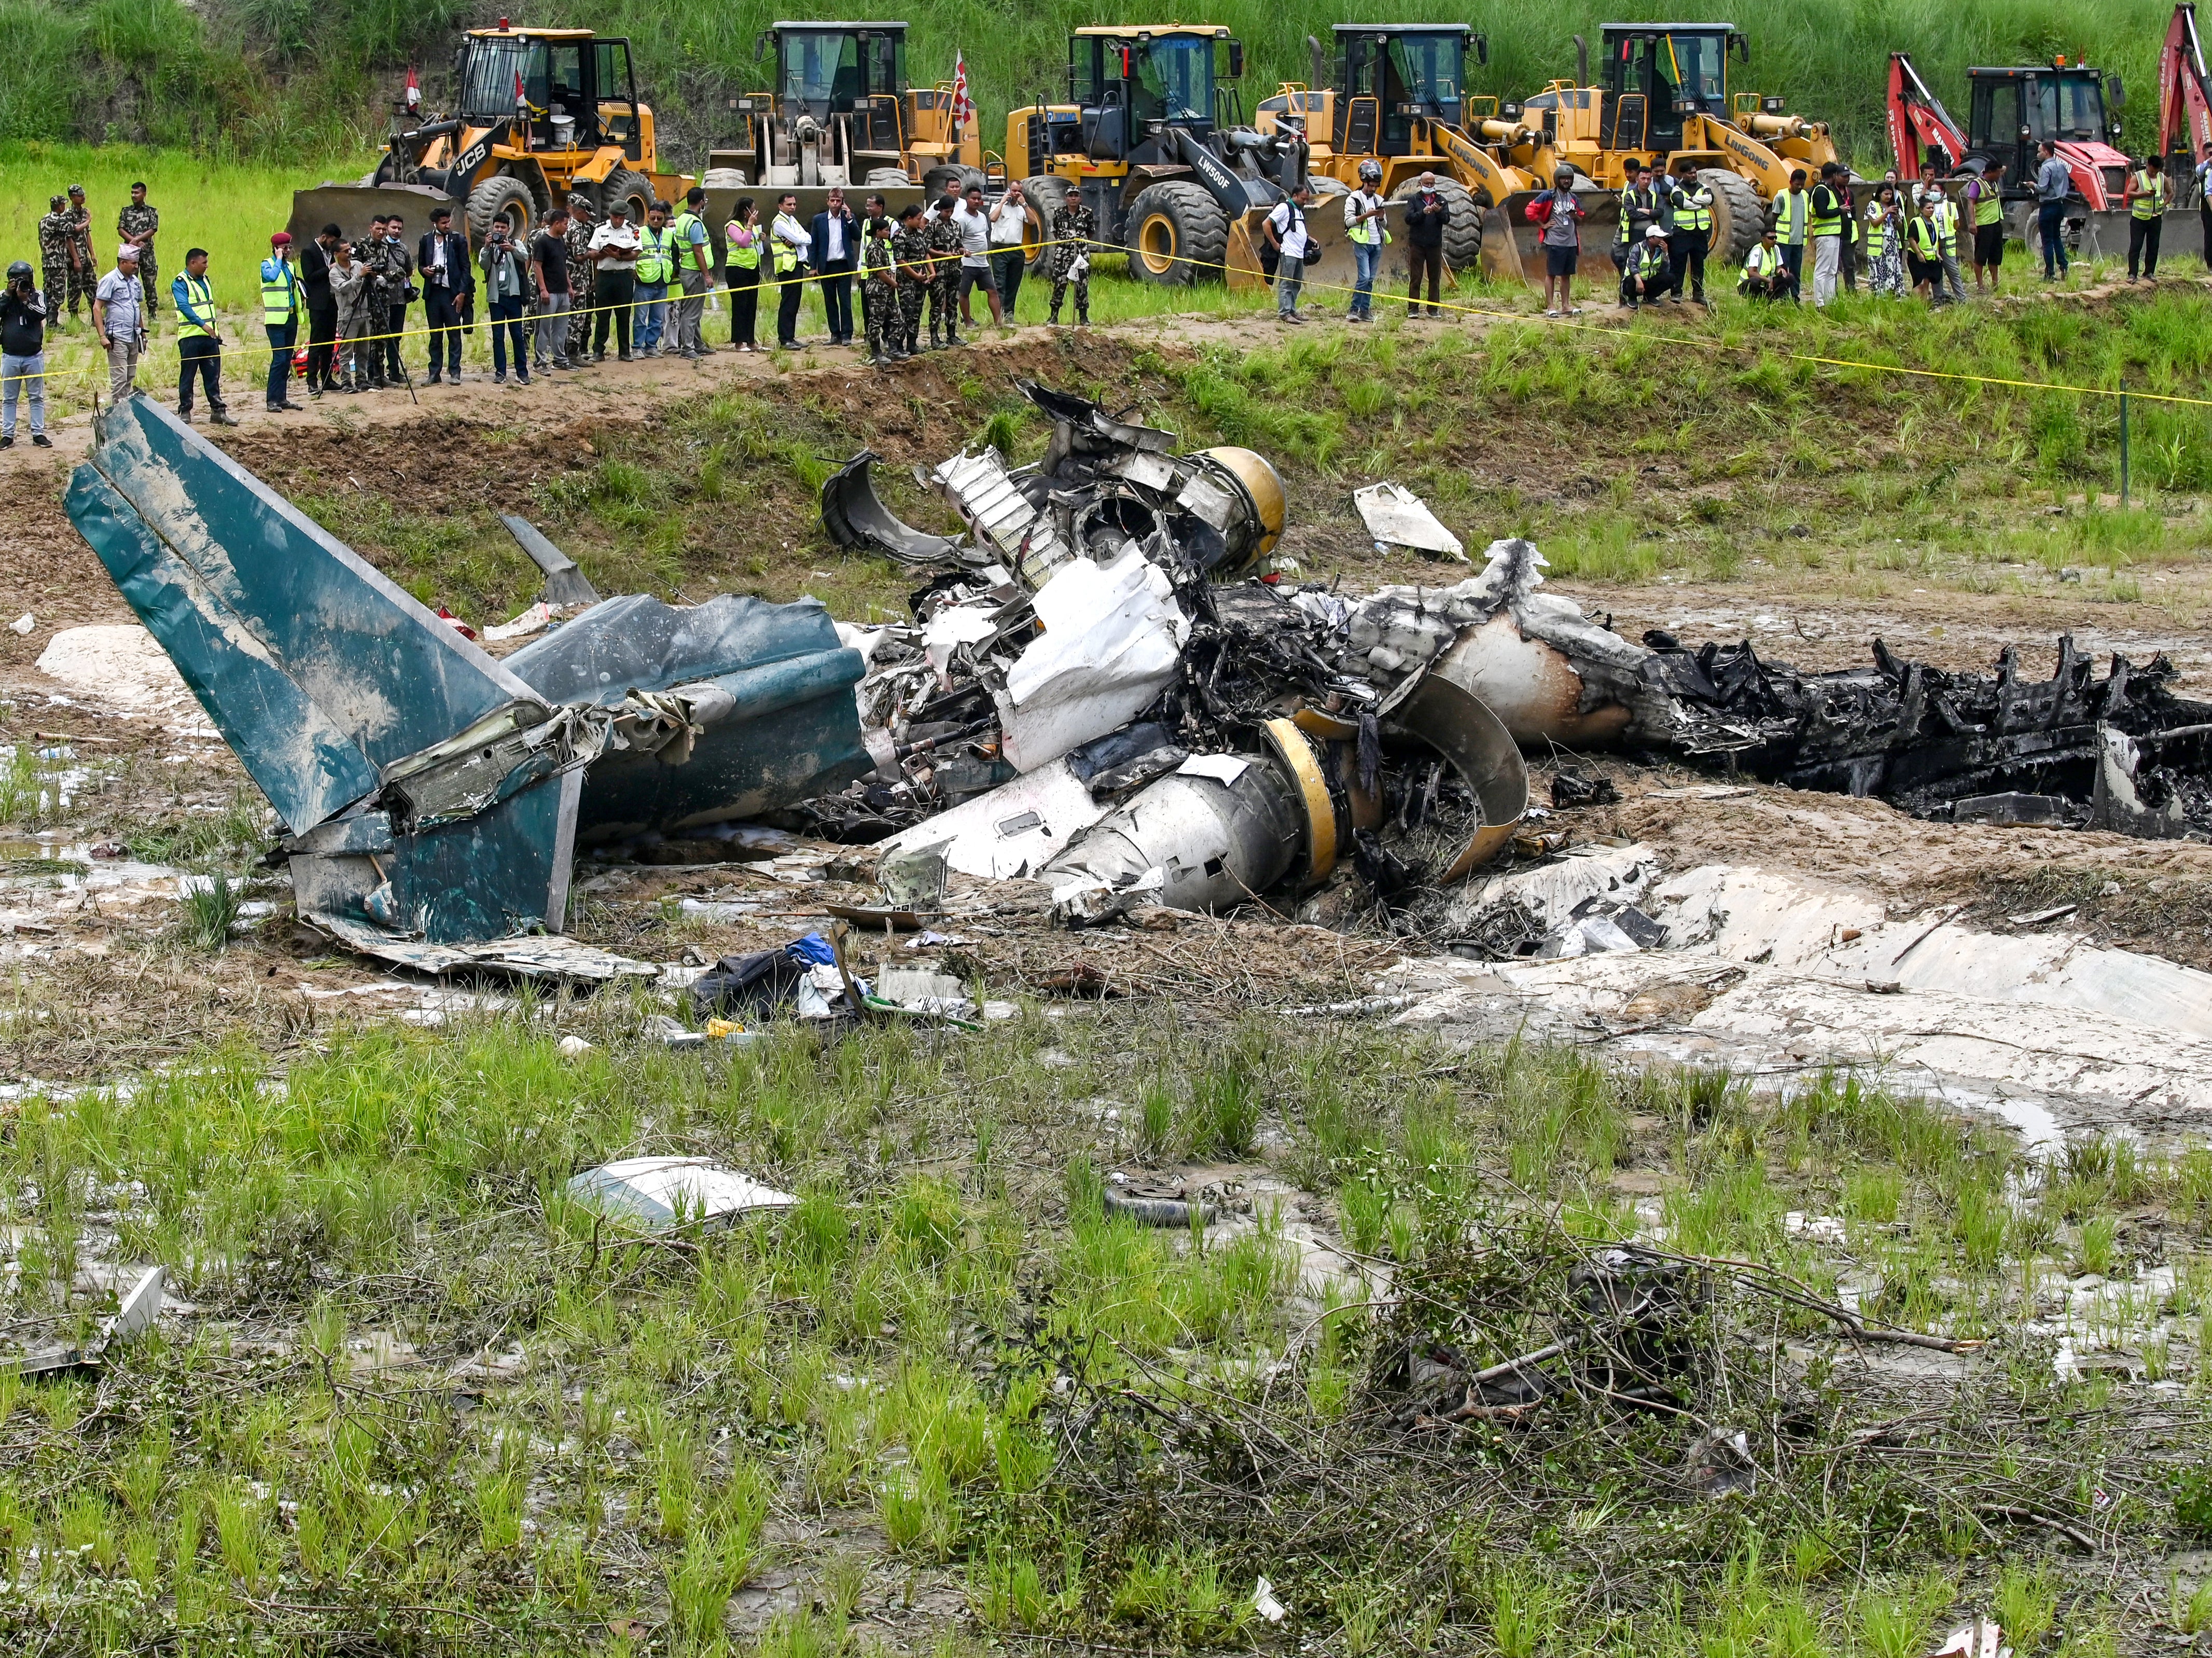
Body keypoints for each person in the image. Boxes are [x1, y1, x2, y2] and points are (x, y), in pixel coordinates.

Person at [171, 246, 238, 426]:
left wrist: (215, 330)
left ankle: (218, 411)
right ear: (193, 263)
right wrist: (202, 325)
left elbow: (208, 308)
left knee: (213, 375)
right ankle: (185, 411)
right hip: (190, 337)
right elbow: (184, 307)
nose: (207, 266)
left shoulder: (205, 280)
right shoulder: (180, 282)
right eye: (204, 263)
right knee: (188, 375)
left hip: (210, 337)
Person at [418, 205, 472, 384]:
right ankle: (435, 372)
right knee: (435, 336)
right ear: (435, 223)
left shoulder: (459, 240)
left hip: (453, 293)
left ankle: (455, 372)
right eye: (444, 223)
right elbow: (420, 265)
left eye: (449, 221)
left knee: (454, 335)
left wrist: (462, 293)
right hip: (433, 293)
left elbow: (466, 268)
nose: (448, 225)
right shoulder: (426, 240)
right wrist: (425, 271)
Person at [1, 261, 50, 448]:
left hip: (34, 356)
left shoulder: (38, 296)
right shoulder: (4, 297)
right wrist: (8, 295)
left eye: (25, 280)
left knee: (36, 397)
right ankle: (8, 435)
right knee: (9, 398)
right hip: (10, 356)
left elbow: (41, 314)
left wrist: (25, 300)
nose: (22, 283)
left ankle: (38, 434)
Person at [477, 220, 532, 386]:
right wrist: (487, 247)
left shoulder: (516, 243)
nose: (499, 230)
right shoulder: (489, 247)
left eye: (503, 228)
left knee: (517, 335)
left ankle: (522, 372)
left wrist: (512, 249)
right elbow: (483, 265)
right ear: (492, 228)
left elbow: (525, 257)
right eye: (497, 227)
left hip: (514, 296)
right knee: (498, 336)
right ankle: (500, 372)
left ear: (509, 229)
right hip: (496, 298)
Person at [93, 244, 147, 403]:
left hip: (133, 336)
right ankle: (119, 412)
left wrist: (143, 333)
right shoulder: (110, 280)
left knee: (130, 375)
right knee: (120, 378)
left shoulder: (135, 282)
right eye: (133, 263)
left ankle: (126, 408)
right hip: (117, 337)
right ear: (123, 262)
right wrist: (102, 336)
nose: (136, 266)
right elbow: (97, 308)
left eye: (137, 263)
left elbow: (137, 308)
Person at [588, 199, 640, 361]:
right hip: (605, 277)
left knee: (624, 315)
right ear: (610, 215)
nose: (618, 220)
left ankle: (624, 352)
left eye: (621, 218)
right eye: (616, 217)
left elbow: (636, 253)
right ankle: (598, 351)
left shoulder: (633, 229)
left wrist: (619, 257)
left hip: (624, 276)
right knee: (602, 315)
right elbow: (592, 253)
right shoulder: (600, 229)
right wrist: (603, 255)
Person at [258, 232, 303, 413]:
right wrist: (278, 259)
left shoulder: (291, 267)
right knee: (278, 360)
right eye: (285, 248)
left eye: (289, 248)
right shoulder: (267, 265)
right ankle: (272, 400)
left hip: (291, 318)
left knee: (287, 360)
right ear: (276, 249)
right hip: (276, 321)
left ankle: (282, 398)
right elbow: (271, 277)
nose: (288, 251)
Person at [811, 186, 860, 345]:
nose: (835, 204)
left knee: (845, 301)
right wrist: (813, 267)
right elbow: (814, 244)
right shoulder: (819, 220)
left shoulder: (848, 218)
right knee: (830, 301)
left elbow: (857, 236)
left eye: (838, 201)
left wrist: (850, 218)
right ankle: (835, 334)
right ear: (828, 202)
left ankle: (847, 334)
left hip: (844, 265)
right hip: (827, 265)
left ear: (843, 203)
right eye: (833, 200)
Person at [671, 187, 716, 358]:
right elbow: (698, 251)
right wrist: (706, 275)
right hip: (695, 272)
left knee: (694, 310)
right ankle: (688, 348)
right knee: (691, 312)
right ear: (702, 202)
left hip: (687, 270)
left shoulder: (682, 219)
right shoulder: (695, 223)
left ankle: (697, 344)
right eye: (705, 200)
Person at [1532, 168, 1583, 316]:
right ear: (1557, 179)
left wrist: (1575, 216)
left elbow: (1581, 218)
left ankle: (1566, 306)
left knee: (1567, 274)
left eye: (1569, 178)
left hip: (1571, 242)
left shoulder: (1573, 197)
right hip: (1555, 241)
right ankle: (1551, 307)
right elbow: (1530, 210)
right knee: (1552, 274)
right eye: (1563, 178)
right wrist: (1543, 225)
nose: (1566, 181)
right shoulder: (1548, 196)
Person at [353, 214, 395, 390]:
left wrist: (384, 278)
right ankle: (366, 376)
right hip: (366, 297)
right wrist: (370, 276)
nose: (381, 232)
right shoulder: (361, 246)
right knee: (366, 339)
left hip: (383, 298)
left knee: (382, 337)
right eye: (378, 229)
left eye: (384, 230)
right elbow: (355, 268)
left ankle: (379, 375)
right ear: (371, 228)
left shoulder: (386, 246)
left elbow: (389, 269)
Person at [531, 206, 575, 372]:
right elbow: (537, 266)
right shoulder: (542, 242)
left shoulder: (560, 241)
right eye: (565, 224)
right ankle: (540, 362)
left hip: (562, 291)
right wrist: (543, 290)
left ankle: (560, 359)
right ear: (556, 224)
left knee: (561, 328)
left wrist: (569, 285)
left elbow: (563, 265)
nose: (567, 227)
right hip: (549, 292)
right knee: (543, 328)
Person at [1344, 158, 1388, 322]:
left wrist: (1381, 217)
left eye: (1376, 186)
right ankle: (1353, 310)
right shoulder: (1353, 199)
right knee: (1364, 277)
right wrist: (1366, 216)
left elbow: (1385, 223)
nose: (1373, 189)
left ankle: (1365, 310)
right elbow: (1348, 222)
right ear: (1364, 180)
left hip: (1377, 243)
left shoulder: (1379, 200)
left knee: (1370, 279)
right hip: (1362, 243)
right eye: (1371, 185)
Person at [299, 224, 341, 397]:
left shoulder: (331, 252)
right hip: (318, 304)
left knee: (330, 343)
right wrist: (328, 269)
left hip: (332, 302)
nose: (333, 244)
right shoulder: (309, 252)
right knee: (316, 343)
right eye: (332, 241)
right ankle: (312, 381)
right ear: (324, 237)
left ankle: (327, 378)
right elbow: (309, 277)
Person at [952, 183, 1000, 329]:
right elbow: (956, 240)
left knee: (992, 291)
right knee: (964, 293)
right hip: (967, 263)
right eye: (973, 198)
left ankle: (999, 322)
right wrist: (963, 250)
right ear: (967, 199)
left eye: (979, 199)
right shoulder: (962, 219)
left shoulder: (983, 217)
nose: (977, 201)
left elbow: (983, 235)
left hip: (983, 263)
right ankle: (968, 322)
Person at [1402, 171, 1451, 318]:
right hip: (1417, 244)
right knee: (1416, 277)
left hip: (1435, 244)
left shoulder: (1441, 200)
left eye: (1432, 184)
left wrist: (1438, 212)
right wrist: (1423, 213)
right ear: (1420, 184)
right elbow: (1408, 219)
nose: (1429, 186)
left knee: (1435, 278)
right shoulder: (1413, 200)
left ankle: (1433, 308)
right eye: (1426, 184)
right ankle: (1413, 309)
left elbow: (1447, 219)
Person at [1264, 183, 1314, 323]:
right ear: (1295, 196)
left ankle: (1292, 310)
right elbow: (1266, 224)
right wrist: (1275, 244)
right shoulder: (1284, 208)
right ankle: (1284, 313)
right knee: (1286, 283)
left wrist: (1310, 240)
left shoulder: (1298, 210)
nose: (1305, 202)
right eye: (1303, 199)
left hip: (1299, 254)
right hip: (1289, 252)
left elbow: (1298, 230)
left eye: (1307, 200)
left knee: (1296, 284)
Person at [1665, 160, 1713, 307]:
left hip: (1700, 234)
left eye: (1694, 172)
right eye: (1690, 173)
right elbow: (1682, 204)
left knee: (1699, 264)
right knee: (1678, 264)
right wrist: (1700, 204)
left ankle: (1698, 294)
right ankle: (1676, 293)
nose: (1693, 175)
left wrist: (1693, 200)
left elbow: (1710, 199)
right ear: (1683, 175)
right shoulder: (1676, 190)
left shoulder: (1704, 187)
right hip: (1682, 233)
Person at [860, 215, 904, 367]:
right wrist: (894, 282)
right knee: (876, 321)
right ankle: (876, 352)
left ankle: (893, 349)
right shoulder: (873, 248)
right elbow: (879, 272)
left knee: (898, 317)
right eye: (886, 230)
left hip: (886, 289)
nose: (888, 233)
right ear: (878, 232)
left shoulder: (882, 247)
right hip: (877, 290)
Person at [771, 191, 813, 349]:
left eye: (794, 204)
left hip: (796, 265)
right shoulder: (779, 222)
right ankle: (785, 339)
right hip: (787, 267)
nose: (793, 207)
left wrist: (799, 240)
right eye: (789, 204)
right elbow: (799, 239)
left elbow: (808, 238)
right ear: (780, 206)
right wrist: (799, 240)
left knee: (794, 303)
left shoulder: (792, 220)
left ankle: (791, 337)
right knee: (788, 303)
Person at [1047, 191, 1095, 327]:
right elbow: (1055, 231)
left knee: (1082, 285)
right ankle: (1054, 317)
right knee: (1060, 284)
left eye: (1076, 196)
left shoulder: (1087, 213)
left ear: (1080, 198)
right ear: (1065, 198)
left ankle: (1083, 318)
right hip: (1063, 253)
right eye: (1070, 196)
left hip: (1081, 253)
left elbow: (1090, 231)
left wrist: (1080, 245)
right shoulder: (1059, 213)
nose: (1073, 198)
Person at [377, 214, 415, 385]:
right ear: (387, 228)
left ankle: (394, 371)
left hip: (400, 300)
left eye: (400, 228)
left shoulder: (404, 249)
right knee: (380, 337)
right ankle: (377, 374)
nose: (397, 231)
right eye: (394, 228)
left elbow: (409, 271)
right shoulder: (379, 247)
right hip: (382, 300)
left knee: (395, 337)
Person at [634, 200, 675, 356]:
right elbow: (632, 253)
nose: (656, 221)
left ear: (664, 218)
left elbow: (674, 254)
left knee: (657, 319)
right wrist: (634, 272)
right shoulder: (639, 232)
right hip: (644, 282)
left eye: (659, 218)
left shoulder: (669, 235)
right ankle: (637, 347)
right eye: (653, 218)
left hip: (662, 281)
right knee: (640, 318)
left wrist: (672, 272)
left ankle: (651, 346)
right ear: (648, 218)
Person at [723, 198, 764, 351]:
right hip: (737, 270)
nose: (755, 212)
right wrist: (750, 226)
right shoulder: (732, 225)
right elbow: (742, 242)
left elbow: (751, 243)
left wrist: (759, 237)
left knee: (751, 305)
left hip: (752, 269)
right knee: (740, 306)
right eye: (752, 209)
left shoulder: (750, 227)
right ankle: (739, 342)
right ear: (744, 211)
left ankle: (751, 341)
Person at [329, 240, 370, 391]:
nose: (349, 254)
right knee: (346, 352)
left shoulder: (358, 265)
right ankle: (346, 382)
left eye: (350, 250)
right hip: (348, 316)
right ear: (336, 254)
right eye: (345, 251)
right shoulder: (334, 273)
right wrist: (360, 277)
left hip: (364, 313)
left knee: (363, 350)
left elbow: (370, 281)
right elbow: (343, 288)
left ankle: (362, 379)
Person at [925, 195, 965, 348]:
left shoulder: (956, 225)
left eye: (951, 211)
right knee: (937, 303)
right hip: (940, 270)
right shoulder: (933, 226)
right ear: (940, 210)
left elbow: (959, 244)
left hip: (955, 270)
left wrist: (963, 251)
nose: (949, 214)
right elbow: (927, 249)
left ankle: (952, 334)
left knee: (953, 302)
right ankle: (934, 337)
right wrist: (945, 255)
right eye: (946, 211)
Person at [891, 203, 932, 352]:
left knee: (916, 313)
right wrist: (916, 276)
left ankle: (912, 344)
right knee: (906, 314)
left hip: (921, 280)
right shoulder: (899, 236)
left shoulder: (919, 233)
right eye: (919, 219)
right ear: (909, 219)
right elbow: (901, 261)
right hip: (907, 281)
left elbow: (925, 253)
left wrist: (931, 271)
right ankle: (898, 346)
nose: (921, 222)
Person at [989, 182, 1031, 320]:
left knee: (1013, 284)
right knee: (1000, 283)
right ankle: (999, 315)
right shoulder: (998, 205)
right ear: (1008, 190)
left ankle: (1009, 314)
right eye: (1014, 190)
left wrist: (1025, 205)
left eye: (1019, 191)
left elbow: (1033, 222)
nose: (1016, 194)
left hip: (1016, 250)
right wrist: (1002, 203)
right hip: (999, 249)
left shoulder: (1021, 209)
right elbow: (993, 218)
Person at [1612, 161, 1661, 280]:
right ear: (1638, 179)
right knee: (1625, 259)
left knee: (1647, 261)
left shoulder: (1654, 196)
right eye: (1643, 178)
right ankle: (1626, 293)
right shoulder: (1630, 194)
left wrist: (1644, 211)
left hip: (1650, 234)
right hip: (1630, 232)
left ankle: (1645, 291)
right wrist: (1651, 213)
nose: (1646, 181)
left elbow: (1660, 213)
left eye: (1648, 179)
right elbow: (1632, 213)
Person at [118, 181, 159, 319]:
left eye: (137, 193)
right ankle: (131, 311)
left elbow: (153, 229)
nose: (134, 195)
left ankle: (152, 312)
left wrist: (138, 240)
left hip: (147, 253)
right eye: (132, 193)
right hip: (130, 254)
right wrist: (133, 241)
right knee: (129, 281)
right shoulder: (126, 211)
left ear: (144, 194)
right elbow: (120, 229)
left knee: (149, 282)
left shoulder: (151, 212)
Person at [2125, 155, 2167, 283]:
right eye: (2153, 170)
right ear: (2148, 165)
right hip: (2139, 218)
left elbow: (2170, 192)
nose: (2154, 173)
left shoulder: (2162, 177)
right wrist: (2144, 194)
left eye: (2157, 171)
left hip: (2155, 218)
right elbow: (2129, 193)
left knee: (2153, 246)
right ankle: (2132, 274)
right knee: (2136, 246)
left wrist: (2164, 204)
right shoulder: (2138, 177)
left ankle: (2149, 272)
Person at [1810, 163, 1847, 307]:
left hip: (1833, 235)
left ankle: (1830, 301)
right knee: (1822, 270)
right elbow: (1822, 213)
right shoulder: (1821, 191)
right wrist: (1840, 210)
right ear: (1834, 176)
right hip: (1825, 236)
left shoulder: (1827, 190)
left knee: (1832, 271)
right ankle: (1820, 303)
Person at [2035, 141, 2071, 281]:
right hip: (2059, 206)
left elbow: (2043, 188)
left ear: (2046, 152)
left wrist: (2033, 186)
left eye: (2039, 152)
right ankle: (2064, 267)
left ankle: (2050, 274)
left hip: (2048, 206)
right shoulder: (2062, 166)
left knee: (2047, 241)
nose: (2038, 155)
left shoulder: (2045, 168)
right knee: (2057, 238)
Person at [1964, 169, 2005, 294]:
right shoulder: (1977, 184)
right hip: (1983, 225)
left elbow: (2003, 168)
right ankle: (1980, 286)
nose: (2000, 175)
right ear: (1991, 172)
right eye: (1998, 173)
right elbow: (1970, 202)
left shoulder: (1993, 182)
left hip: (1996, 223)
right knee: (1980, 257)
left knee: (1995, 257)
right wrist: (1972, 222)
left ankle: (1995, 284)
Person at [38, 197, 74, 329]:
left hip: (46, 262)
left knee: (48, 291)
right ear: (60, 207)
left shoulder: (43, 220)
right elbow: (73, 229)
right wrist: (88, 221)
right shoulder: (58, 221)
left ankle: (48, 320)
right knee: (58, 294)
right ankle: (52, 323)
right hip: (57, 263)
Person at [1775, 168, 1811, 302]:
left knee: (1796, 271)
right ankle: (1783, 297)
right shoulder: (1781, 197)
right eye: (1797, 184)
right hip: (1784, 241)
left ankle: (1795, 297)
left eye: (1802, 184)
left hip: (1799, 241)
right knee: (1783, 271)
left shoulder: (1805, 196)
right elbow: (1774, 217)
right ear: (1791, 182)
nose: (1800, 187)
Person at [1905, 195, 1948, 305]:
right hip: (1917, 258)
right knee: (1919, 283)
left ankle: (1924, 304)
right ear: (1921, 210)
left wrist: (1937, 253)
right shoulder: (1916, 221)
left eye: (1932, 208)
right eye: (1928, 208)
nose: (1931, 210)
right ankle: (1914, 304)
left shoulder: (1934, 223)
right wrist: (1919, 253)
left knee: (1927, 283)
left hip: (1930, 258)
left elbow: (1936, 239)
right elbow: (1911, 238)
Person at [1863, 185, 1904, 298]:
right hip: (1878, 244)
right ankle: (1879, 293)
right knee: (1879, 268)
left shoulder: (1894, 206)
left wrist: (1896, 218)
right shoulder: (1873, 205)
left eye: (1890, 194)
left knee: (1892, 267)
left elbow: (1901, 226)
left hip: (1892, 243)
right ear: (1880, 194)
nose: (1888, 196)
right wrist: (1886, 213)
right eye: (1886, 194)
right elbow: (1875, 223)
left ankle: (1893, 291)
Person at [1927, 187, 1966, 302]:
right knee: (1936, 272)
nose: (1933, 193)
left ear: (1943, 193)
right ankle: (1938, 298)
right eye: (1932, 191)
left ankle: (1962, 299)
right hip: (1933, 244)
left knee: (1953, 271)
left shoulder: (1950, 206)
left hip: (1947, 243)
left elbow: (1956, 224)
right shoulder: (1928, 206)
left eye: (1936, 191)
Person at [1620, 223, 1672, 310]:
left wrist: (1665, 254)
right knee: (1631, 280)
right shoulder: (1638, 248)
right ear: (1651, 238)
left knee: (1670, 278)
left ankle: (1649, 297)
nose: (1662, 240)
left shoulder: (1660, 251)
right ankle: (1632, 298)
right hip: (1634, 282)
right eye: (1659, 238)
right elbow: (1632, 266)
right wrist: (1638, 280)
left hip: (1648, 281)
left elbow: (1665, 270)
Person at [64, 187, 95, 325]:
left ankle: (96, 317)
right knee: (75, 287)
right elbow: (71, 235)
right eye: (79, 195)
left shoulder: (84, 212)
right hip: (74, 258)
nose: (83, 197)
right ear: (72, 197)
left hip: (85, 258)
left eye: (83, 194)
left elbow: (87, 234)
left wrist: (92, 254)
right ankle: (74, 317)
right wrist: (76, 260)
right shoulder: (67, 214)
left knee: (93, 285)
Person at [1738, 228, 1784, 301]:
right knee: (1755, 281)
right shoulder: (1757, 251)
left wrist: (1780, 270)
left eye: (1775, 238)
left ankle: (1770, 299)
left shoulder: (1776, 249)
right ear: (1763, 239)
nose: (1774, 240)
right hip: (1747, 284)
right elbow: (1751, 273)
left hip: (1765, 283)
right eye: (1771, 238)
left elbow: (1778, 269)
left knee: (1789, 278)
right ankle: (1754, 301)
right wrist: (1768, 280)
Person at [2197, 142, 2212, 273]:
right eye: (2210, 154)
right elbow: (2199, 173)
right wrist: (2209, 161)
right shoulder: (2203, 168)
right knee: (2210, 235)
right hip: (2207, 206)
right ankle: (2210, 264)